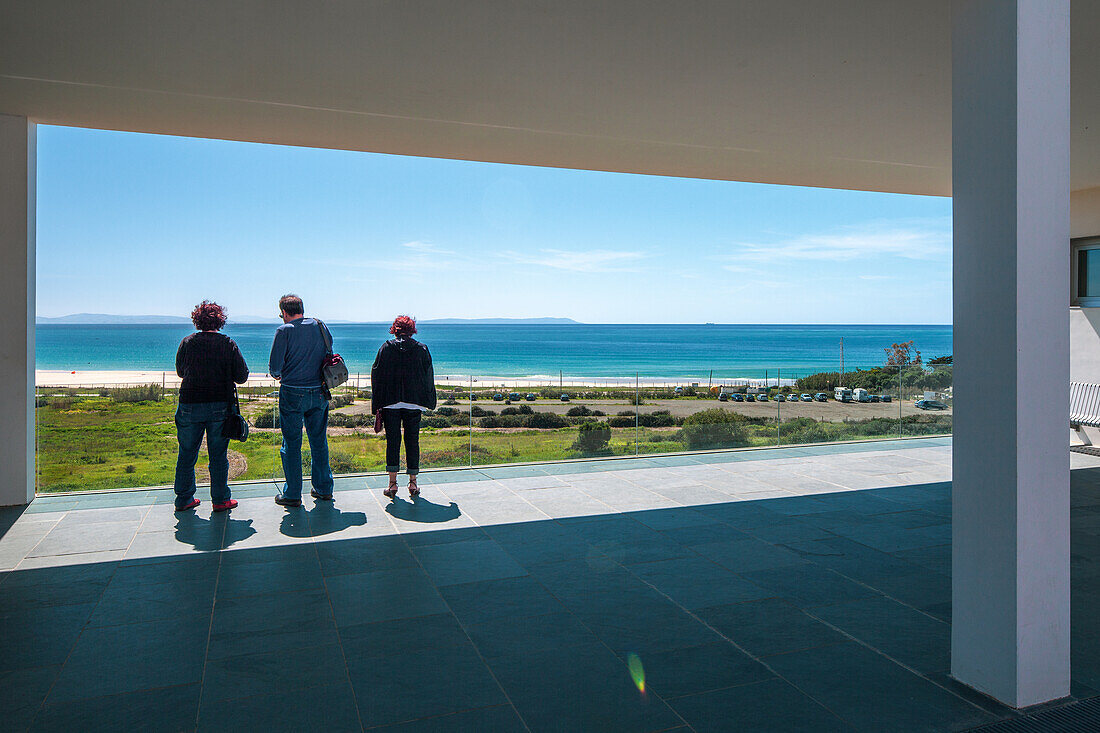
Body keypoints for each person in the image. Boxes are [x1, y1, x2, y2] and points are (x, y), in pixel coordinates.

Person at [174, 300, 249, 512]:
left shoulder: (187, 342)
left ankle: (184, 499)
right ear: (220, 320)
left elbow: (180, 371)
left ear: (197, 320)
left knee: (187, 454)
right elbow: (241, 376)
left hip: (189, 403)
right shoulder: (228, 344)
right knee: (218, 455)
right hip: (220, 405)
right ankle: (220, 500)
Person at [269, 294, 335, 507]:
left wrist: (279, 374)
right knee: (318, 441)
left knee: (291, 443)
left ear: (285, 312)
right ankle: (324, 488)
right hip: (319, 391)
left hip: (292, 393)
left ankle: (293, 494)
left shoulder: (284, 331)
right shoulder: (320, 325)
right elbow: (329, 351)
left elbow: (275, 367)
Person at [371, 315, 437, 498]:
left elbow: (376, 376)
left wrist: (377, 403)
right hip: (414, 402)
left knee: (393, 441)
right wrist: (429, 401)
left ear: (395, 329)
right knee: (412, 441)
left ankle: (392, 485)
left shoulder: (386, 348)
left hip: (390, 402)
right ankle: (413, 483)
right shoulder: (422, 349)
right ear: (412, 330)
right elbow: (428, 376)